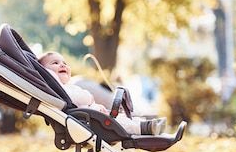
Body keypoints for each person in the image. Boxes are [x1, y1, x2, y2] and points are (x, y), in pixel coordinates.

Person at [38, 51, 166, 135]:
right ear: (47, 72)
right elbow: (79, 99)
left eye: (64, 63)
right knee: (119, 124)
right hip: (88, 122)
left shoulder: (67, 86)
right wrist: (89, 99)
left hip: (93, 115)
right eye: (55, 63)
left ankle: (146, 124)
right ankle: (144, 128)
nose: (62, 65)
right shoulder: (60, 88)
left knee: (121, 119)